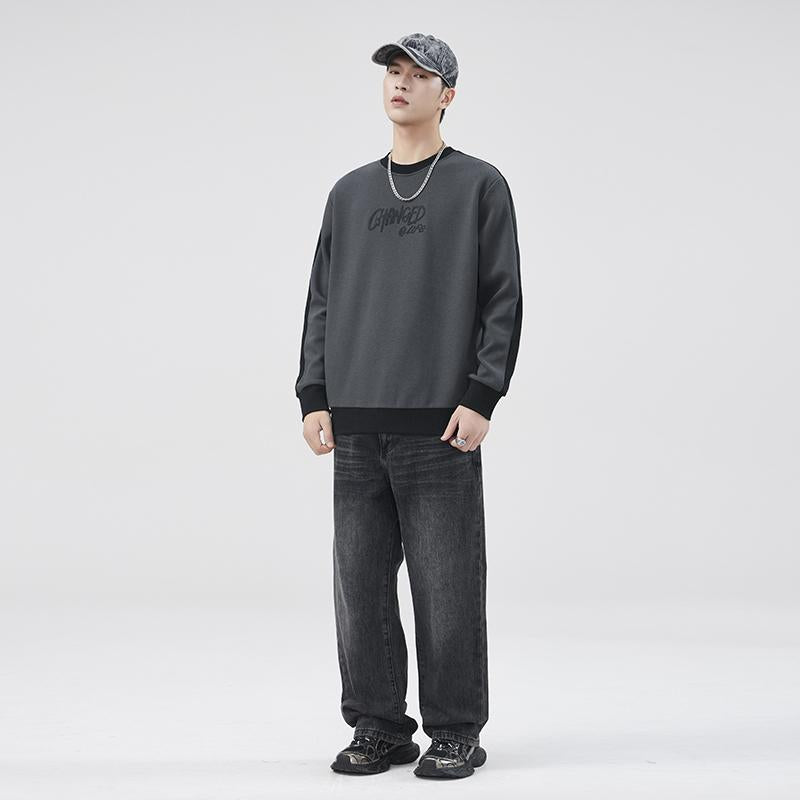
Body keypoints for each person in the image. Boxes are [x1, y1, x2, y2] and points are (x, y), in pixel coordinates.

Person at [294, 32, 523, 780]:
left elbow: (502, 298)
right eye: (393, 72)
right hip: (356, 424)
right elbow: (322, 299)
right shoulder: (349, 192)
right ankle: (379, 726)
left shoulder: (479, 185)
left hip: (440, 425)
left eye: (419, 75)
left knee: (447, 586)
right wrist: (314, 392)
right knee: (359, 590)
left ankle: (455, 730)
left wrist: (483, 394)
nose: (400, 83)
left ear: (446, 94)